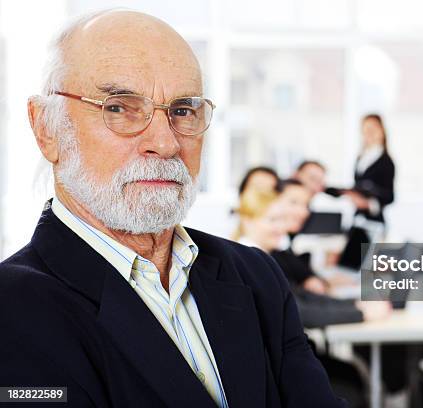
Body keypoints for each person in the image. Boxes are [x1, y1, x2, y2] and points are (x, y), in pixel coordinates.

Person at [0, 10, 344, 408]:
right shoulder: (14, 308)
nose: (165, 143)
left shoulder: (255, 277)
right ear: (46, 129)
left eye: (182, 110)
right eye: (119, 107)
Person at [233, 189, 391, 407]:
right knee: (349, 383)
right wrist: (361, 312)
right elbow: (300, 311)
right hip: (267, 372)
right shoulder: (246, 262)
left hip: (279, 361)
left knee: (350, 373)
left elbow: (302, 296)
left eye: (281, 219)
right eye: (272, 220)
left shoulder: (264, 256)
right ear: (248, 221)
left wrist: (354, 304)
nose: (280, 227)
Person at [342, 114, 395, 224]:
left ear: (382, 131)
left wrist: (368, 204)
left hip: (374, 221)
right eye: (365, 129)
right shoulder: (360, 159)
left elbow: (390, 196)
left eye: (373, 128)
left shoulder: (386, 162)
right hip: (357, 218)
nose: (369, 133)